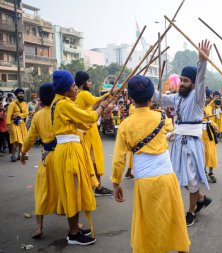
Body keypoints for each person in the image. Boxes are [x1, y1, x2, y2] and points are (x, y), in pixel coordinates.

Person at [111, 75, 190, 253]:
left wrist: (116, 183)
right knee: (174, 218)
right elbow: (171, 129)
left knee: (149, 225)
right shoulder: (162, 118)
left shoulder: (125, 125)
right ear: (151, 98)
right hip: (167, 178)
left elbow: (118, 159)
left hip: (144, 181)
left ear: (131, 98)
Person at [155, 40, 212, 226]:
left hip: (192, 144)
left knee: (193, 180)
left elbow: (202, 79)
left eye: (186, 81)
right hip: (178, 142)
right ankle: (201, 199)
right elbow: (159, 98)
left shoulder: (197, 98)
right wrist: (142, 85)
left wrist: (203, 62)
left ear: (193, 84)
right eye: (181, 80)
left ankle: (191, 211)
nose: (182, 83)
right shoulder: (177, 97)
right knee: (179, 176)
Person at [51, 70, 111, 245]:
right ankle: (74, 233)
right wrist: (101, 107)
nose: (76, 88)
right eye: (72, 86)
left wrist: (102, 106)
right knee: (72, 191)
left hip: (70, 149)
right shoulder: (63, 104)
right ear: (65, 89)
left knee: (73, 190)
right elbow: (89, 116)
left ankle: (75, 228)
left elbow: (85, 122)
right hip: (69, 151)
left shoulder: (62, 103)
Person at [20, 83, 63, 239]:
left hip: (47, 157)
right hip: (63, 155)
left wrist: (23, 153)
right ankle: (75, 224)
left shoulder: (38, 115)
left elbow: (30, 138)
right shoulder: (60, 110)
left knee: (42, 191)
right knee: (65, 188)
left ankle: (38, 226)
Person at [75, 71, 113, 196]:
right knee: (93, 161)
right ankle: (95, 187)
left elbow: (91, 108)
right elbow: (95, 100)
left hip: (87, 131)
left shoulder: (79, 95)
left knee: (92, 160)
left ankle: (97, 186)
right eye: (88, 81)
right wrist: (107, 95)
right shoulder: (84, 94)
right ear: (83, 83)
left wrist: (104, 104)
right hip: (88, 132)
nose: (90, 83)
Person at [6, 88, 28, 162]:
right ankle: (13, 155)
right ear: (16, 95)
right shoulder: (12, 104)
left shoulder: (25, 103)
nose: (21, 95)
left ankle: (20, 155)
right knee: (15, 140)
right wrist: (8, 125)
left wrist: (17, 115)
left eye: (22, 93)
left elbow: (26, 113)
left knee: (22, 140)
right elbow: (9, 115)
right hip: (14, 124)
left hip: (22, 124)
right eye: (19, 93)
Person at [203, 90, 219, 183]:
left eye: (207, 98)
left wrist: (214, 125)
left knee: (211, 153)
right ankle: (203, 172)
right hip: (200, 133)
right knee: (202, 153)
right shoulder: (197, 107)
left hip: (209, 132)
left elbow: (218, 103)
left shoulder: (210, 107)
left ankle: (211, 172)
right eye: (204, 98)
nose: (206, 100)